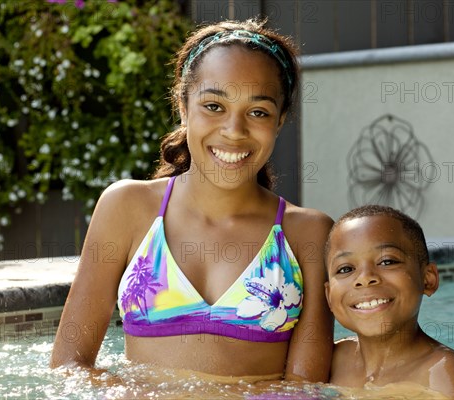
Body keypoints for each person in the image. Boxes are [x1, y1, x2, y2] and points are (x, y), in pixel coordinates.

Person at [51, 18, 334, 383]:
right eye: (214, 106)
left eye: (258, 112)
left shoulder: (308, 233)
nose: (234, 131)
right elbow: (69, 367)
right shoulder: (127, 208)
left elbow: (304, 389)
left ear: (280, 121)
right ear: (183, 107)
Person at [324, 205, 454, 399]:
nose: (364, 278)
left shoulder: (442, 374)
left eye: (387, 261)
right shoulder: (333, 358)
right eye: (345, 269)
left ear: (427, 279)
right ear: (329, 296)